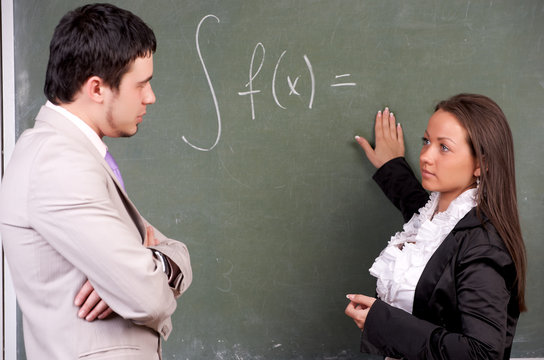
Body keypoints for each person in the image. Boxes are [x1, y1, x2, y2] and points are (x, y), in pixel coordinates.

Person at [0, 4, 192, 359]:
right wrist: (134, 277)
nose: (150, 97)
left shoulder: (70, 154)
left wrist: (149, 264)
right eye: (142, 84)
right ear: (97, 88)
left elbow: (174, 253)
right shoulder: (57, 163)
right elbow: (147, 296)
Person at [344, 94, 526, 359]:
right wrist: (392, 166)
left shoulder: (484, 248)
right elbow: (419, 213)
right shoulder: (436, 217)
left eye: (444, 148)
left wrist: (381, 322)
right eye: (426, 141)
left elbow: (483, 354)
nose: (426, 156)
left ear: (481, 164)